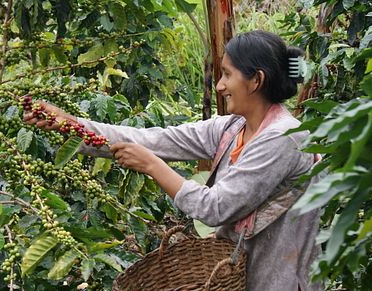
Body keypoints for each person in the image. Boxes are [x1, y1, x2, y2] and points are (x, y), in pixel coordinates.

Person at [25, 30, 322, 291]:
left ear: (256, 80)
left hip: (281, 278)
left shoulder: (284, 137)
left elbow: (215, 207)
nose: (219, 85)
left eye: (228, 75)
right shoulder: (232, 128)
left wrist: (152, 166)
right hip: (240, 275)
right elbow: (152, 139)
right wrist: (71, 125)